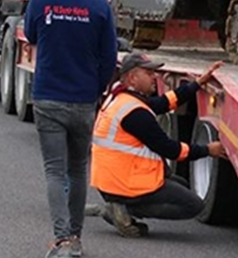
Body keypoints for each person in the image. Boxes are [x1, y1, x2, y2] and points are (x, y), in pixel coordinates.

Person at [24, 0, 119, 258]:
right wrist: (97, 89)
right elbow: (109, 56)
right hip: (83, 99)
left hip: (49, 95)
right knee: (78, 169)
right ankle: (75, 238)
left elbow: (30, 34)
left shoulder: (40, 0)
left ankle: (61, 238)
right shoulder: (100, 6)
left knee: (54, 170)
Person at [91, 53, 226, 237]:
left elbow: (161, 103)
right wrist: (208, 150)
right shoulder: (135, 113)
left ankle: (121, 206)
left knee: (181, 184)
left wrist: (196, 84)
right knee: (194, 205)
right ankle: (123, 210)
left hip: (112, 179)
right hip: (123, 183)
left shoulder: (121, 97)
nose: (154, 76)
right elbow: (171, 150)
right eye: (148, 73)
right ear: (132, 77)